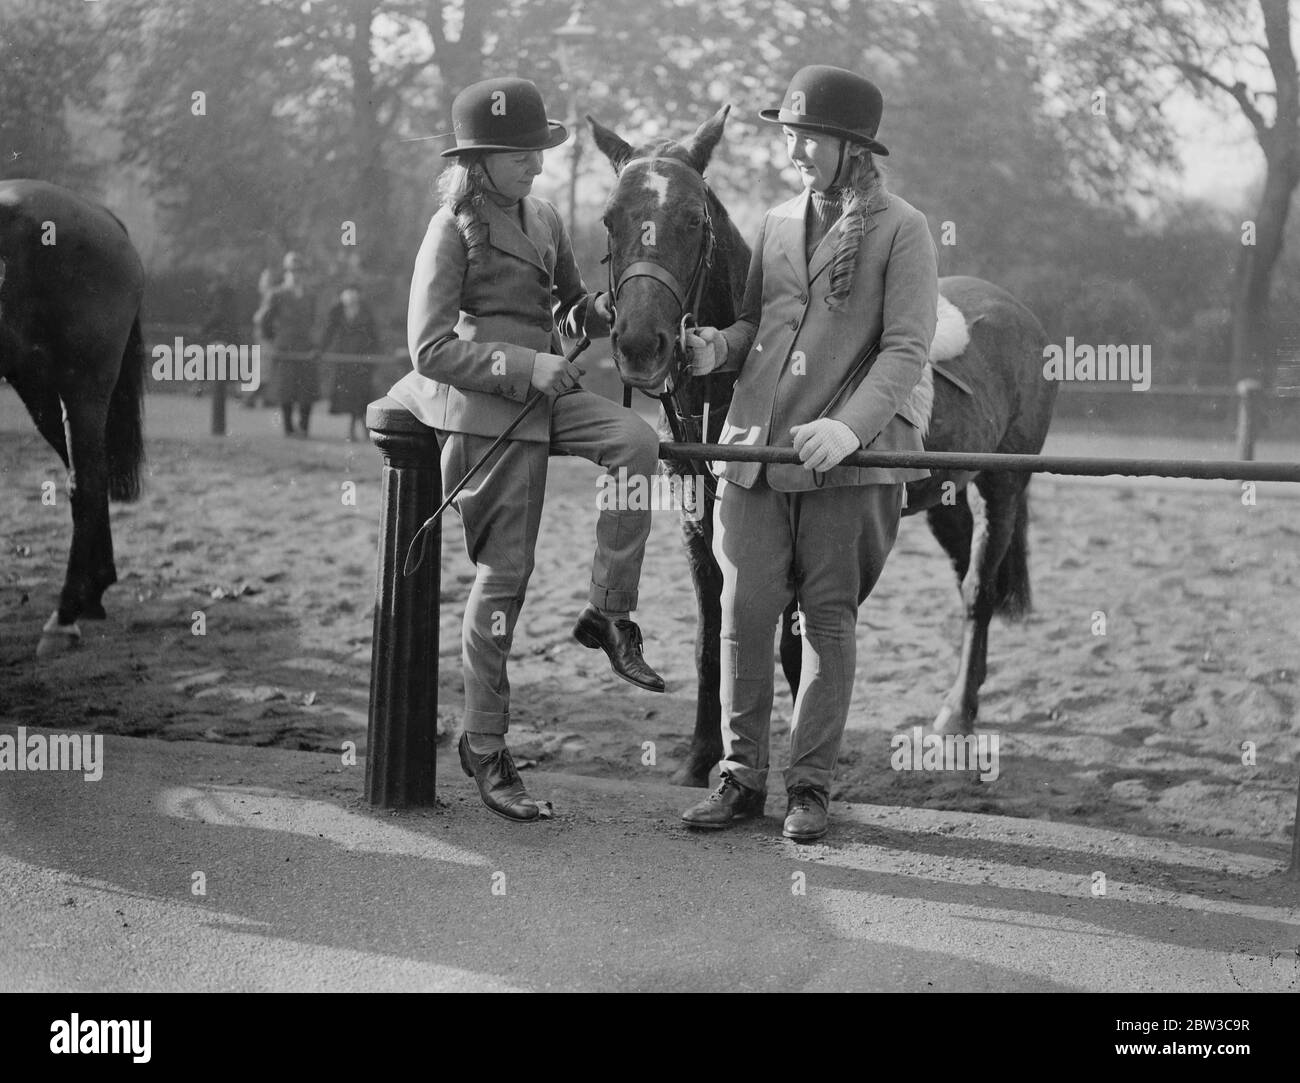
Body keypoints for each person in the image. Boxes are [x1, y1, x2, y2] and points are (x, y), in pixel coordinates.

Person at [387, 76, 665, 823]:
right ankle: (484, 742)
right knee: (503, 578)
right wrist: (525, 365)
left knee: (637, 443)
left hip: (549, 397)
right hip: (486, 413)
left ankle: (609, 612)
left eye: (540, 153)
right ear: (477, 162)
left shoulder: (542, 217)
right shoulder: (451, 228)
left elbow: (568, 304)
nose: (537, 167)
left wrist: (598, 311)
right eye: (521, 157)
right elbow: (429, 347)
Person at [681, 65, 938, 841]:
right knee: (743, 613)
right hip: (753, 450)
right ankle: (738, 776)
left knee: (827, 623)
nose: (792, 148)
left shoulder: (904, 229)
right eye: (787, 133)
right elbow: (757, 322)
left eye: (807, 137)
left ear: (851, 146)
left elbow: (905, 349)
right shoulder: (772, 220)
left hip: (842, 461)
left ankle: (810, 787)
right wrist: (711, 350)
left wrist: (851, 428)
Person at [254, 251, 321, 436]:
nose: (296, 275)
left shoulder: (310, 295)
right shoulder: (277, 294)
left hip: (305, 348)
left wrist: (314, 344)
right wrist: (274, 340)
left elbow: (314, 320)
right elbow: (264, 320)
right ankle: (288, 428)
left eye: (299, 271)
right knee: (286, 390)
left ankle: (304, 428)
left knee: (306, 392)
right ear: (286, 272)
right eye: (292, 271)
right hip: (285, 349)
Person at [322, 284, 380, 441]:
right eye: (347, 293)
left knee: (362, 396)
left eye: (354, 292)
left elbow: (374, 337)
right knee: (350, 398)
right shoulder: (338, 312)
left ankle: (359, 430)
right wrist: (320, 349)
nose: (351, 296)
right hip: (345, 362)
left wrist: (373, 358)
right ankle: (357, 430)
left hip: (362, 363)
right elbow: (328, 332)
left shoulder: (366, 312)